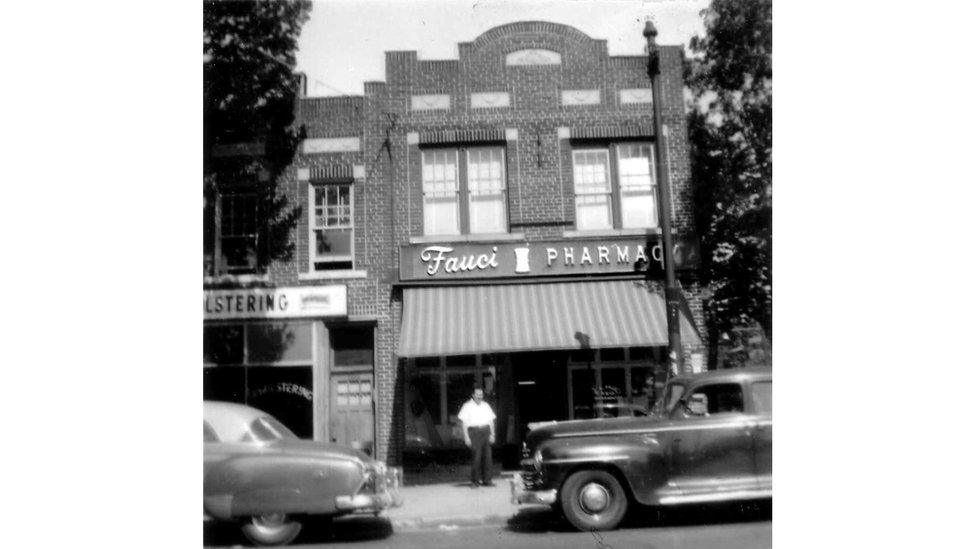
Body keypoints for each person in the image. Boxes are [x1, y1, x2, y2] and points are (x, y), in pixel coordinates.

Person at [457, 387, 496, 488]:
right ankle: (475, 481)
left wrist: (492, 434)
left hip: (486, 431)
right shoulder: (467, 406)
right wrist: (466, 437)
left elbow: (491, 421)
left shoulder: (486, 405)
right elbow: (464, 423)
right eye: (477, 394)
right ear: (473, 395)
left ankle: (487, 480)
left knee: (488, 457)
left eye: (481, 395)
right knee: (476, 457)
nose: (479, 396)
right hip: (474, 432)